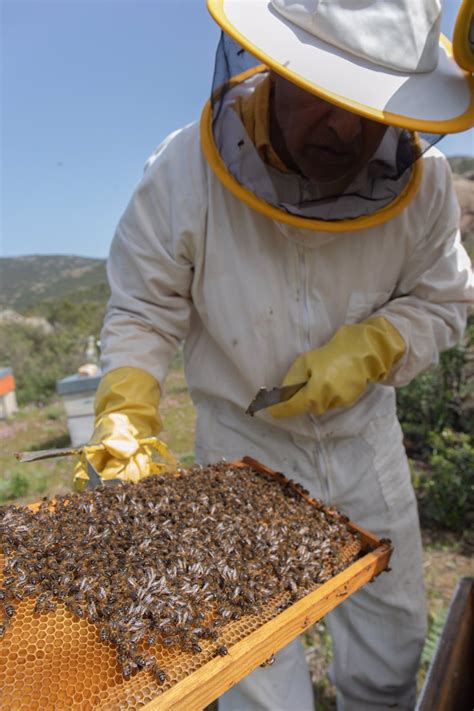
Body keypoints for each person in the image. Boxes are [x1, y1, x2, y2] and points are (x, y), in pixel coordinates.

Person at [74, 1, 474, 708]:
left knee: (390, 647)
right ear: (278, 69)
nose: (348, 128)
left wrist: (377, 344)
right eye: (326, 97)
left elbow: (445, 299)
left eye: (373, 107)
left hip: (364, 443)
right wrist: (127, 405)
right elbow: (144, 307)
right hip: (241, 448)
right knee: (255, 673)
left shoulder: (427, 187)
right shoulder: (181, 173)